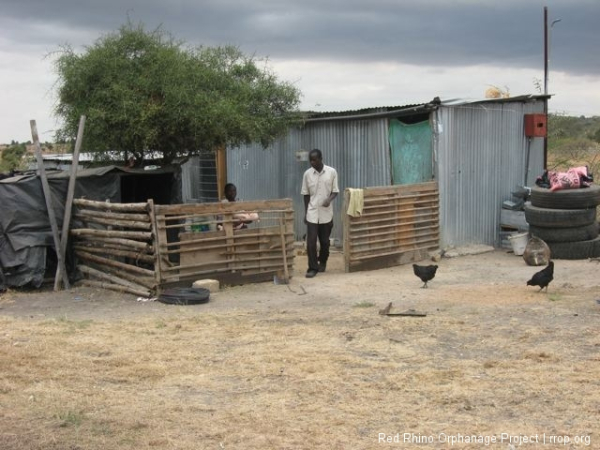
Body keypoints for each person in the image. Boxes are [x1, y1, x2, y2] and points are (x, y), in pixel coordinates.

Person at [301, 149, 339, 278]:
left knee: (324, 242)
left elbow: (335, 191)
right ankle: (312, 268)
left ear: (320, 158)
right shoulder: (307, 174)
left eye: (314, 160)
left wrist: (329, 199)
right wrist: (306, 213)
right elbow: (306, 195)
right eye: (310, 160)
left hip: (326, 213)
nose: (312, 162)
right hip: (312, 212)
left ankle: (322, 261)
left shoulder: (331, 172)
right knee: (311, 242)